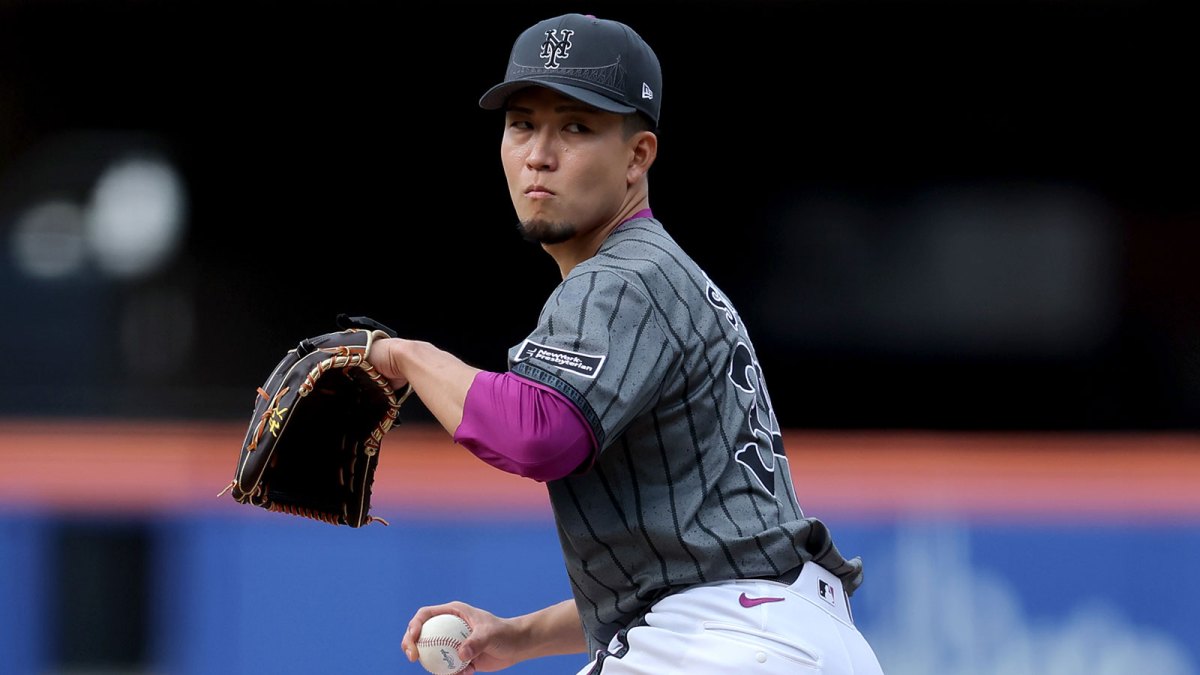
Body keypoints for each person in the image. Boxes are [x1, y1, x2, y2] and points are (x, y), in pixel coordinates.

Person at [367, 12, 885, 675]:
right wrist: (517, 636)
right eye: (522, 123)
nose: (539, 153)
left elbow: (537, 431)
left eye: (575, 127)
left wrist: (405, 355)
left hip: (726, 643)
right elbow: (684, 568)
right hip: (784, 633)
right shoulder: (669, 277)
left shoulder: (621, 277)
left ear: (638, 156)